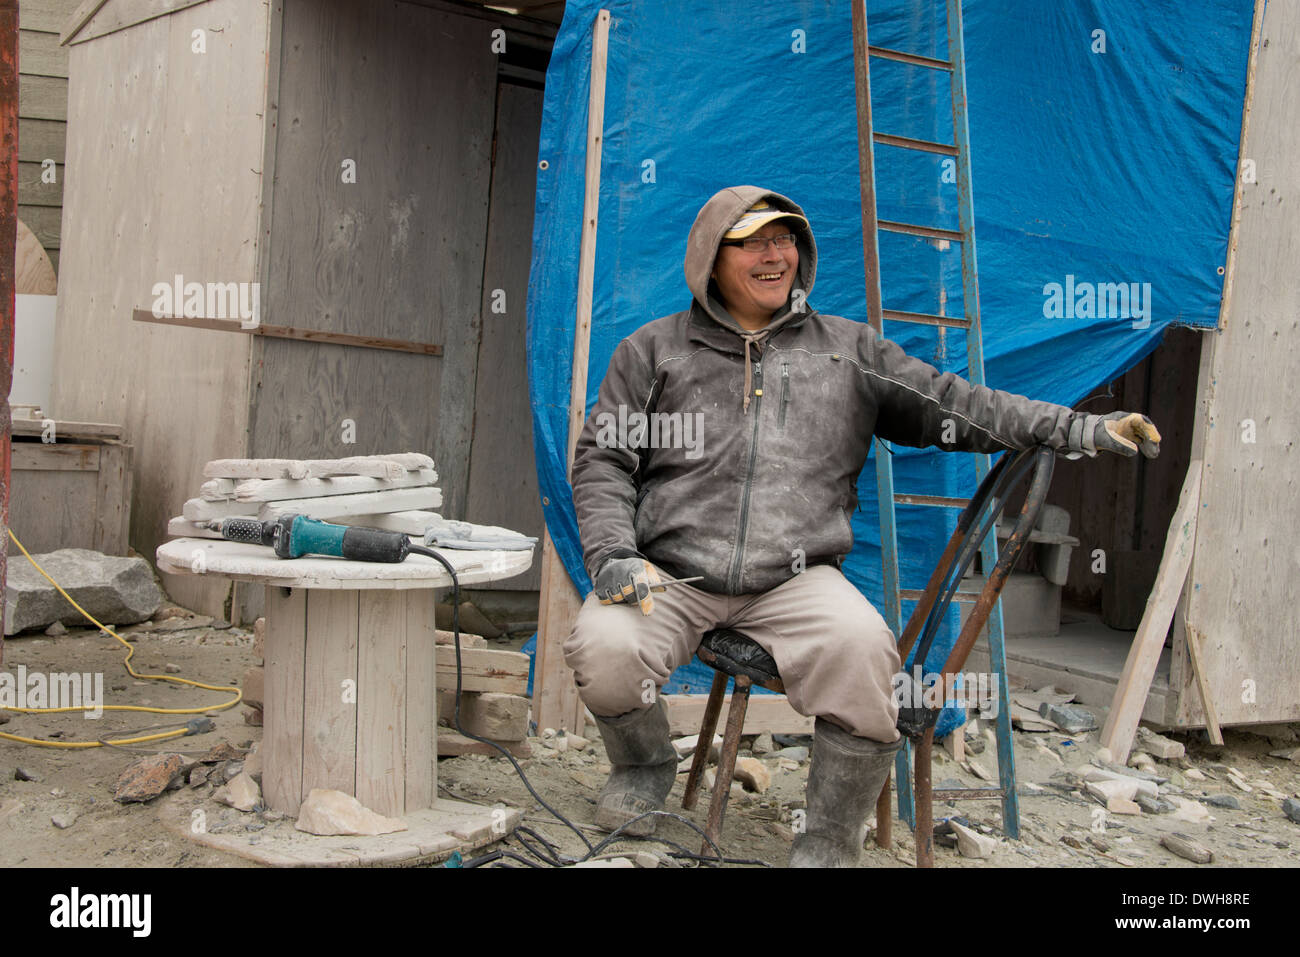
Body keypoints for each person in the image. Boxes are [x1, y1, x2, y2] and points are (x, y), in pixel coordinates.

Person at [563, 185, 1160, 867]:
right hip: (671, 572)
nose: (774, 254)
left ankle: (828, 837)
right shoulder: (652, 351)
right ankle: (642, 772)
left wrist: (1082, 429)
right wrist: (614, 552)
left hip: (795, 581)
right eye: (753, 241)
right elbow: (604, 459)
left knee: (866, 655)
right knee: (605, 643)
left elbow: (961, 405)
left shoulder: (848, 351)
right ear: (711, 258)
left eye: (785, 238)